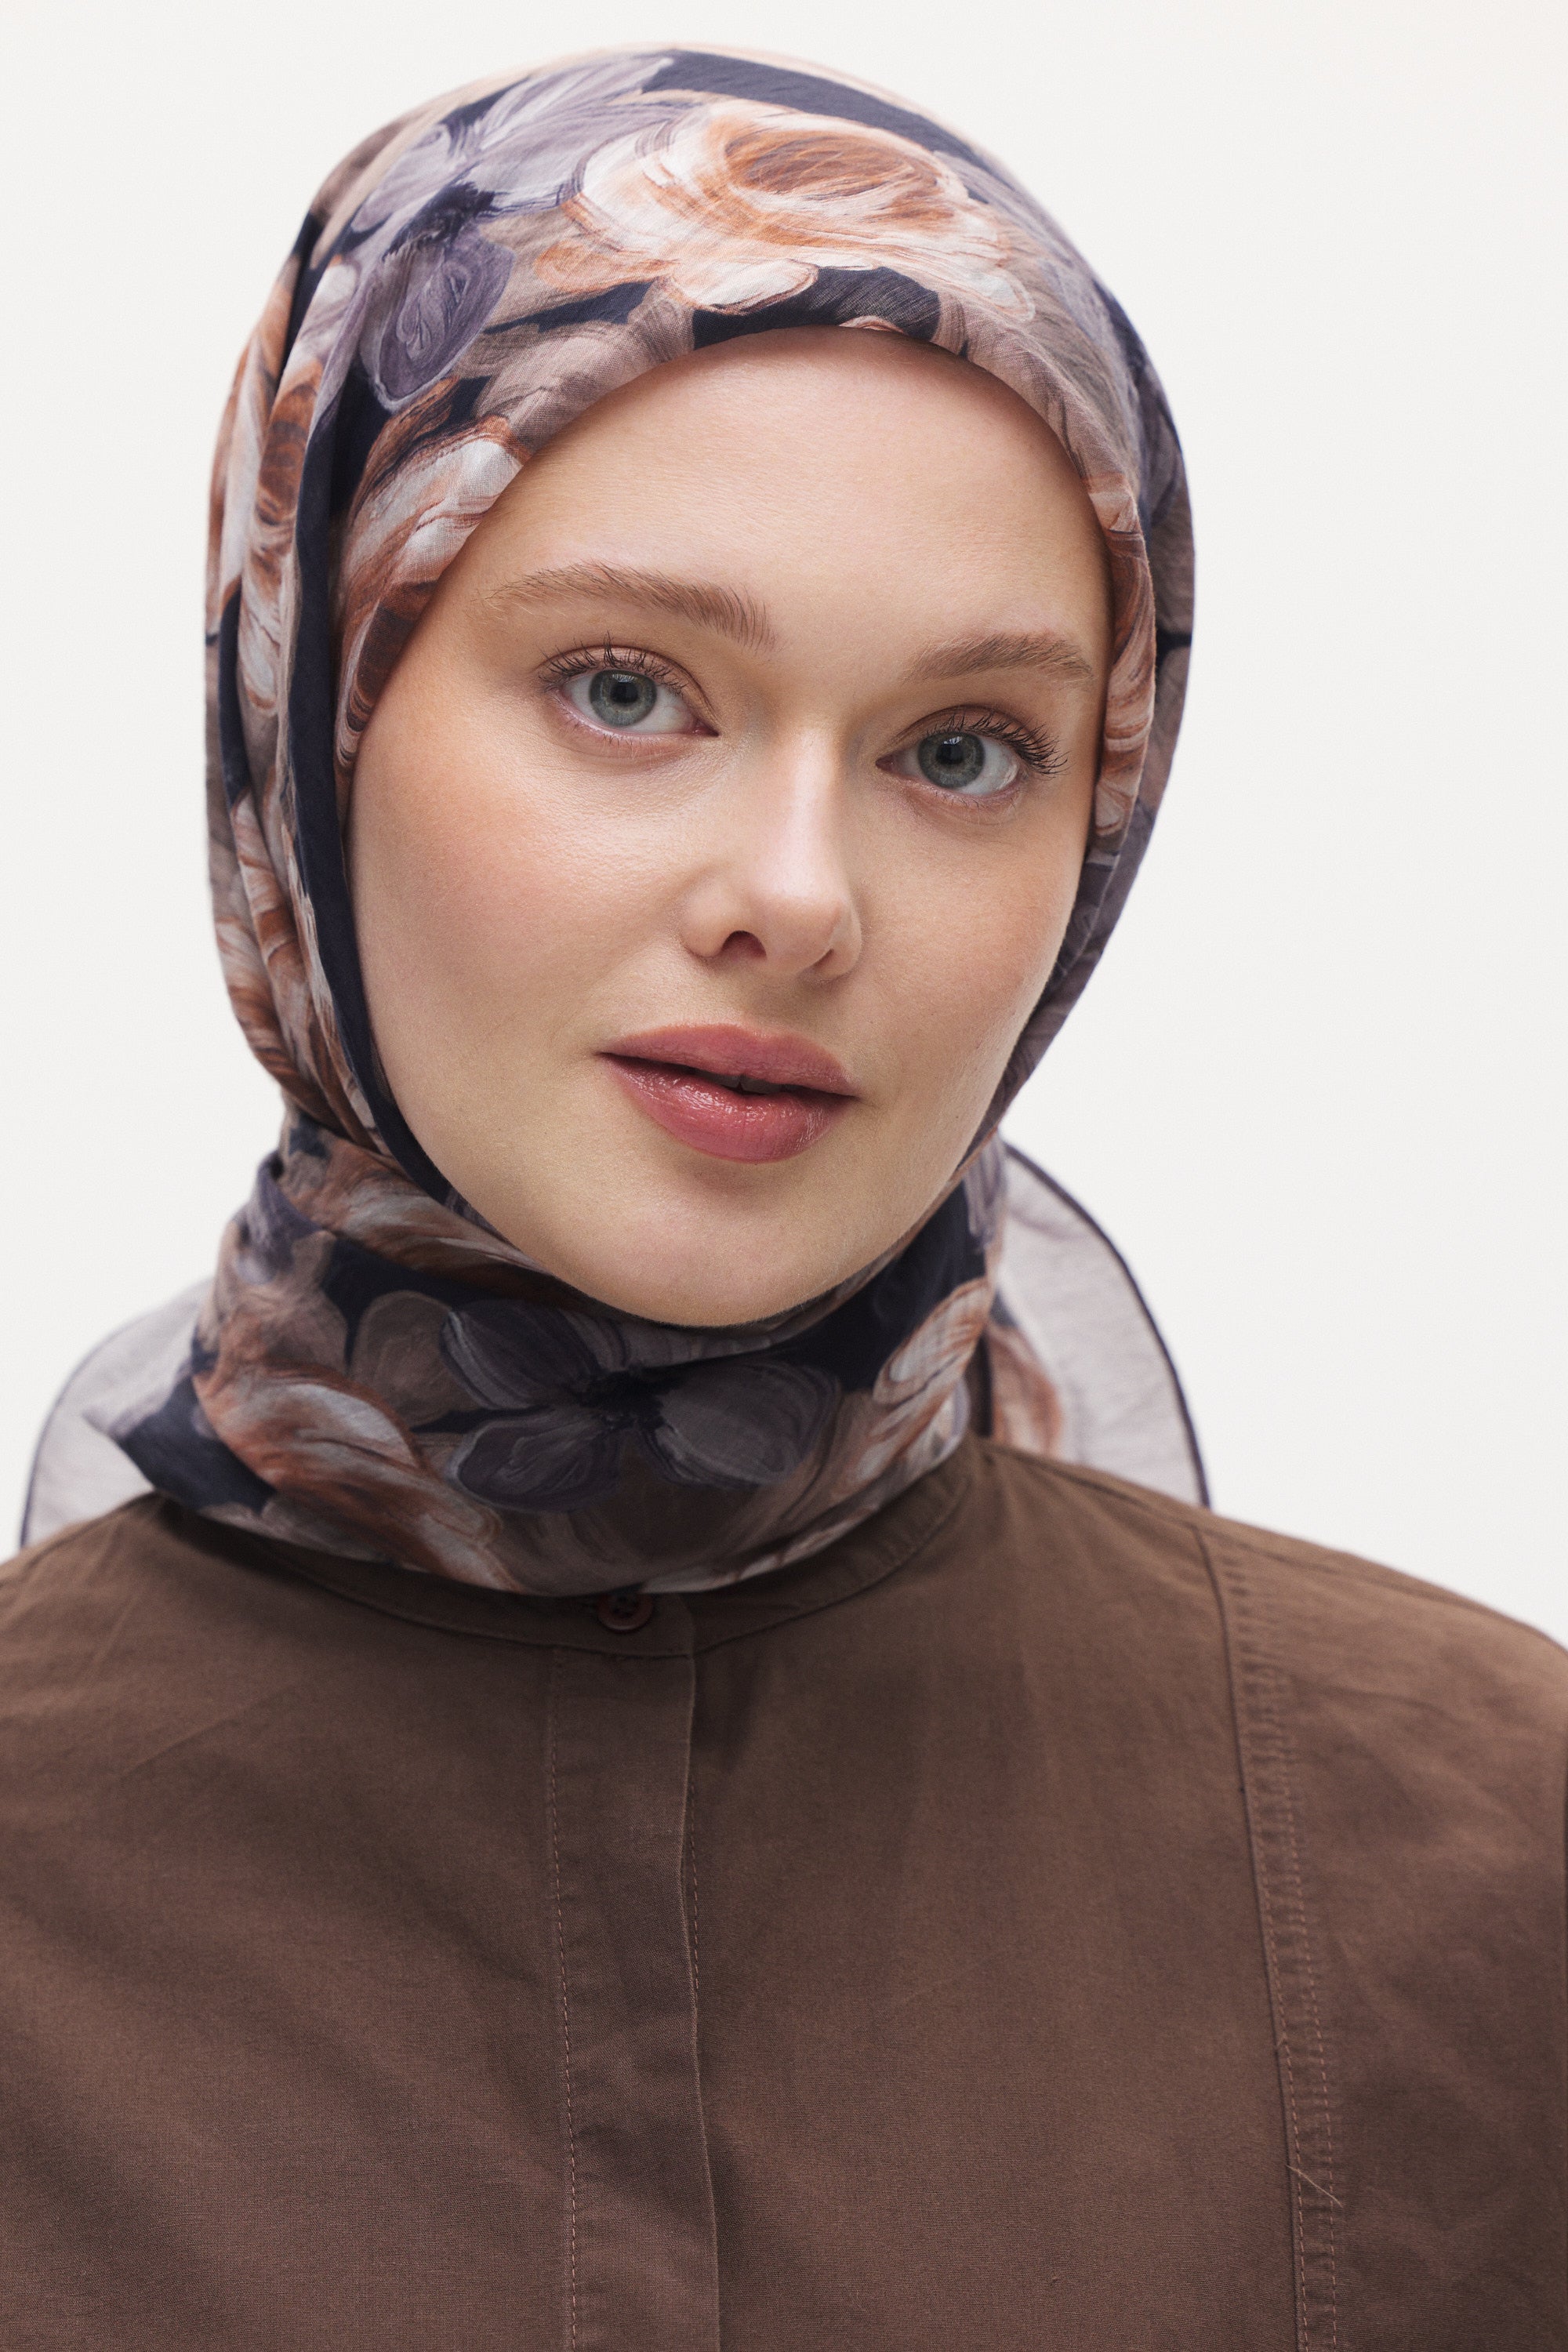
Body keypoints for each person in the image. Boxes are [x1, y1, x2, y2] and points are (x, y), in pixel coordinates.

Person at [4, 47, 1563, 2351]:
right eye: (627, 690)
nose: (800, 896)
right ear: (310, 713)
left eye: (964, 749)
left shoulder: (1489, 1864)